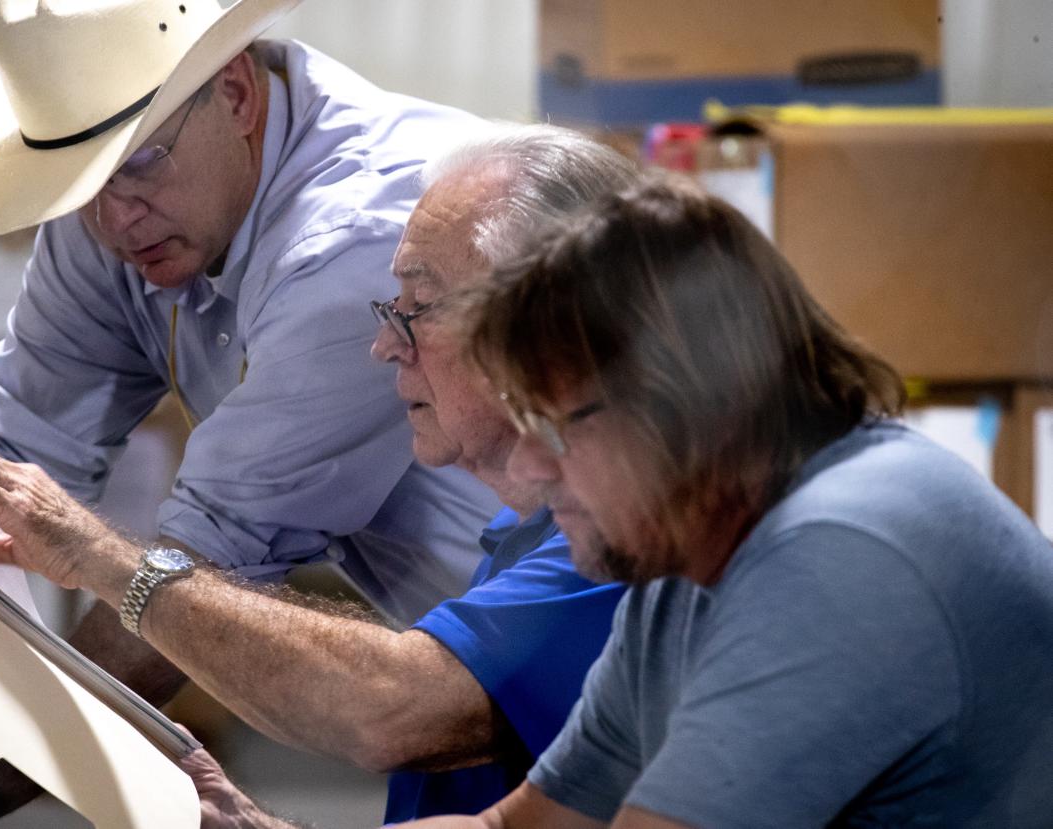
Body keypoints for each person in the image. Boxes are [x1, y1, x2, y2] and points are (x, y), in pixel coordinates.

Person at [0, 125, 640, 824]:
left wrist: (102, 558)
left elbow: (390, 709)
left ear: (548, 329)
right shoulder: (525, 529)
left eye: (419, 307)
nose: (383, 345)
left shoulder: (615, 544)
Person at [396, 176, 1053, 828]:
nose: (525, 462)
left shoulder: (841, 555)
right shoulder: (681, 572)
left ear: (689, 408)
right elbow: (521, 826)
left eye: (553, 426)